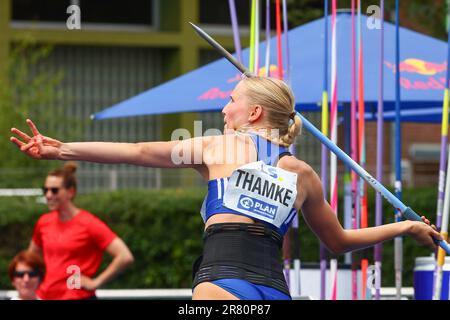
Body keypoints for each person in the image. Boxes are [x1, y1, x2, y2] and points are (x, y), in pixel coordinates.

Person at [10, 75, 441, 300]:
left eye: (231, 100)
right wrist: (403, 228)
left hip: (221, 281)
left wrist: (62, 147)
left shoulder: (219, 147)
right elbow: (339, 242)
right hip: (273, 288)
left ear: (254, 112)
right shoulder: (303, 173)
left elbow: (138, 151)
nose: (223, 107)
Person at [19, 162, 134, 300]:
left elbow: (125, 256)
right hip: (46, 296)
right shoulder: (44, 222)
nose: (48, 195)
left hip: (77, 296)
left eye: (54, 190)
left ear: (70, 192)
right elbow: (29, 259)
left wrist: (95, 283)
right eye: (45, 190)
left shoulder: (89, 223)